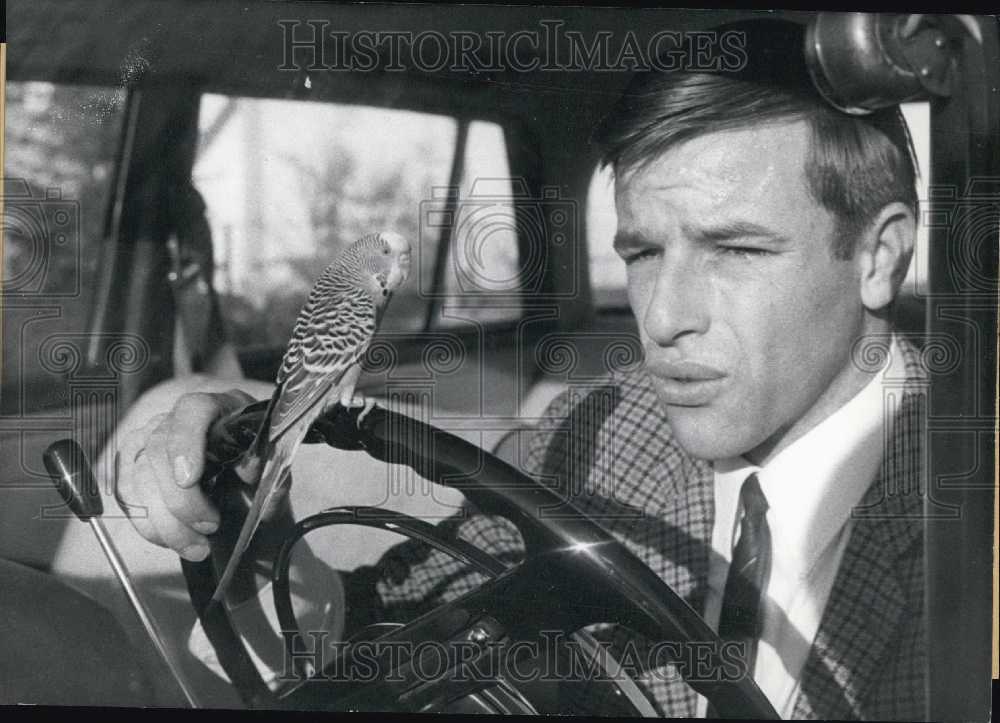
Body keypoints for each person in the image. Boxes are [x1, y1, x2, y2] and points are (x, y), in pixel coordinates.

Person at [116, 19, 926, 719]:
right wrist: (248, 501)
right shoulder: (599, 426)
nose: (665, 316)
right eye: (641, 251)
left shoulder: (965, 510)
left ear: (879, 257)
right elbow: (384, 625)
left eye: (737, 248)